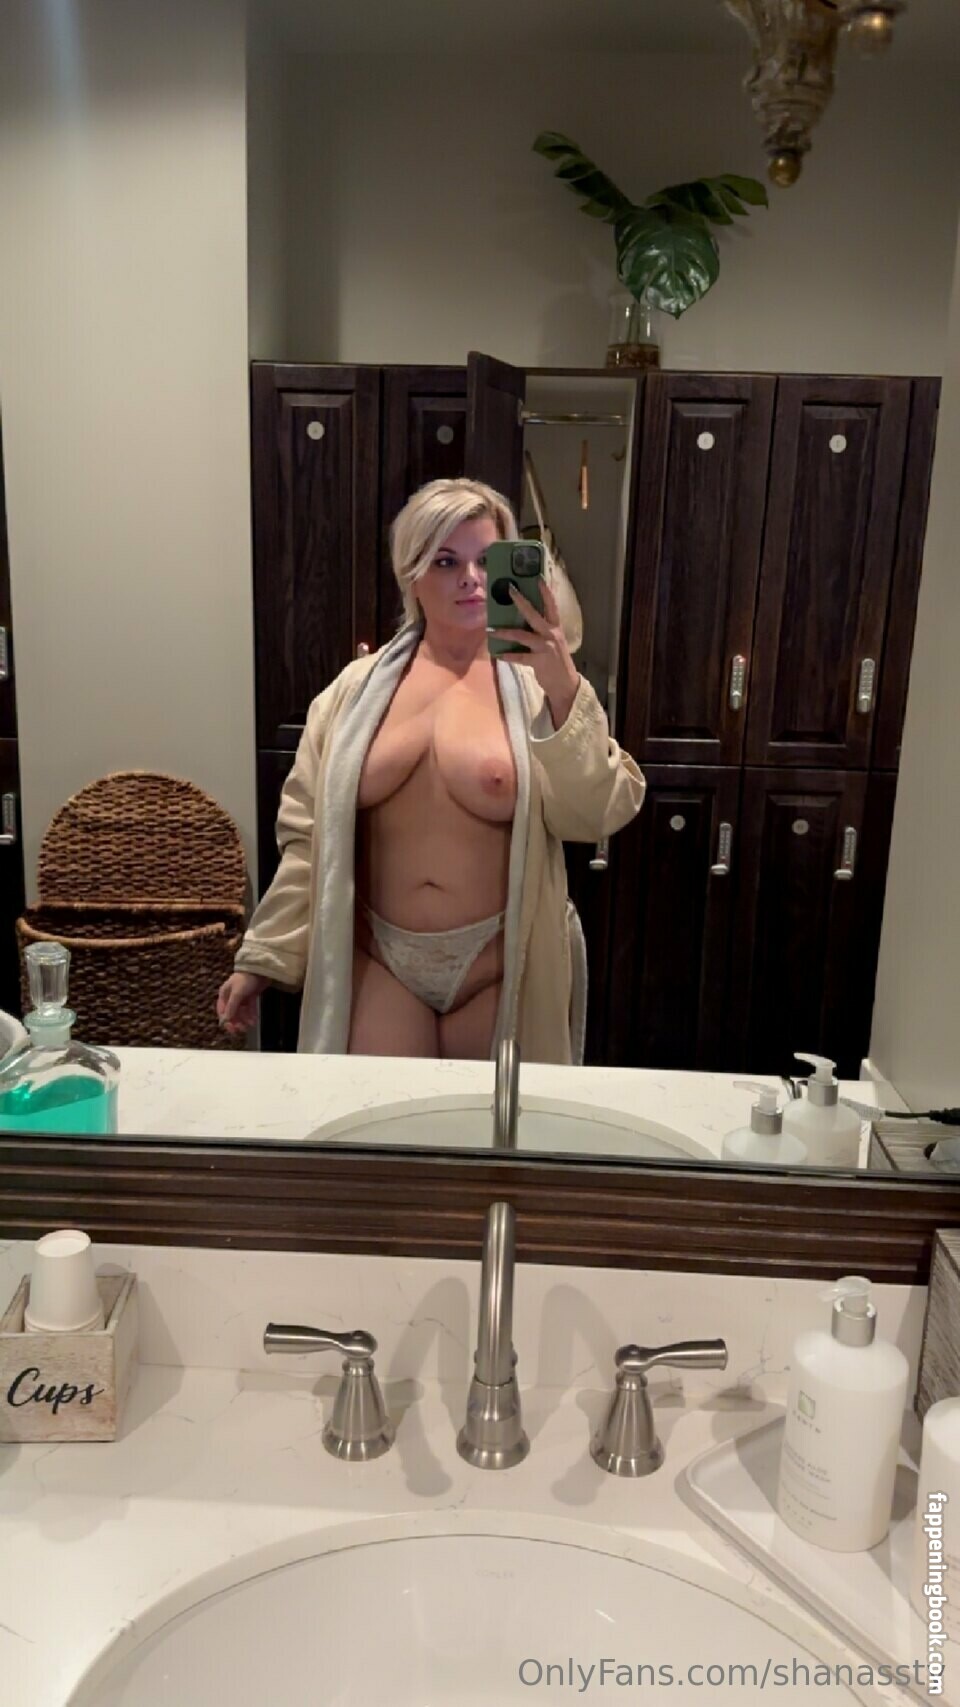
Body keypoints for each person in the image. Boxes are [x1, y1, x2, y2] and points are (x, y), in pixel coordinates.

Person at [217, 477, 645, 1062]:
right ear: (412, 572)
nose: (470, 578)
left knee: (488, 1121)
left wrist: (564, 685)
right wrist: (263, 958)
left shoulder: (538, 691)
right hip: (379, 959)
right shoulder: (353, 695)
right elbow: (307, 838)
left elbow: (596, 813)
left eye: (485, 560)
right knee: (382, 1117)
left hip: (498, 963)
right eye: (446, 561)